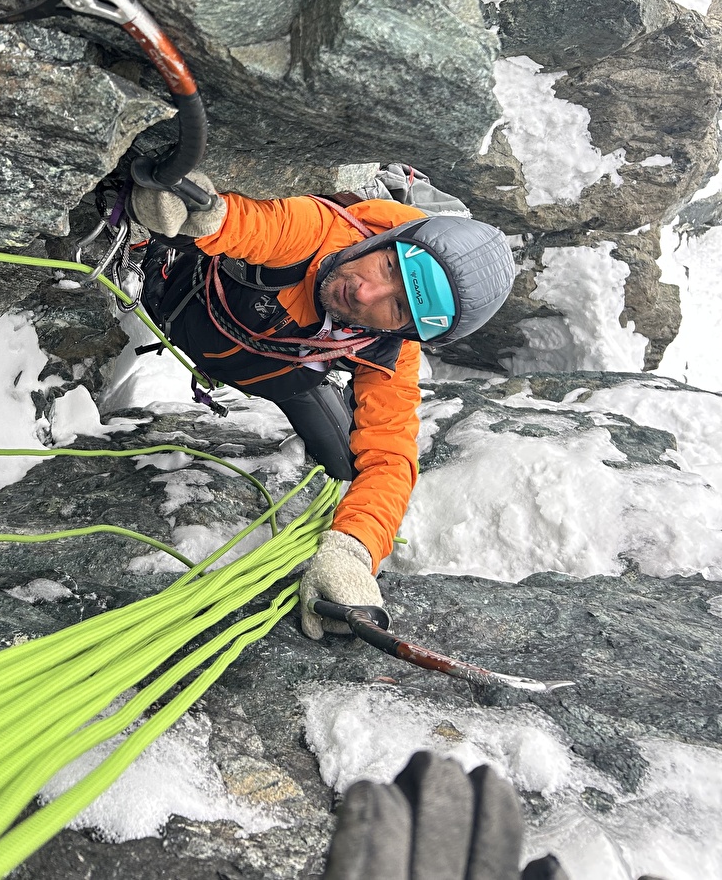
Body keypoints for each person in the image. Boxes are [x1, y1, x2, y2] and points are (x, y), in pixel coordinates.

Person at [130, 165, 515, 640]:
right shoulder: (324, 231)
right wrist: (206, 217)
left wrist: (353, 550)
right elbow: (259, 224)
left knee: (344, 463)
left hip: (274, 375)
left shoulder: (388, 350)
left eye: (396, 308)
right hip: (178, 293)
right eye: (391, 267)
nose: (366, 290)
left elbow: (391, 456)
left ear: (406, 331)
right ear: (389, 239)